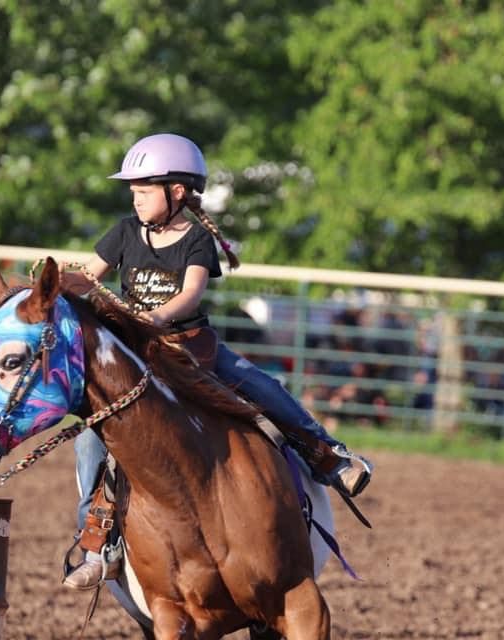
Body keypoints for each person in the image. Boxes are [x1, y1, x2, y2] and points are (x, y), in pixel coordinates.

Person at [62, 133, 373, 590]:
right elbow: (90, 275)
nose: (136, 198)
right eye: (132, 191)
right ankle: (97, 542)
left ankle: (329, 458)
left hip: (189, 344)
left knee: (262, 386)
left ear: (178, 193)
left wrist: (155, 315)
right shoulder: (125, 231)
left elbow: (190, 294)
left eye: (143, 190)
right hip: (133, 350)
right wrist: (59, 282)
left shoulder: (197, 242)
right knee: (91, 439)